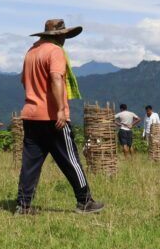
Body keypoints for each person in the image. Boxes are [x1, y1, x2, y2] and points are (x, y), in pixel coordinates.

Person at [15, 18, 104, 215]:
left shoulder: (31, 52)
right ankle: (85, 201)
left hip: (30, 115)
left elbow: (24, 81)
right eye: (63, 35)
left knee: (30, 163)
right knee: (70, 159)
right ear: (59, 36)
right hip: (53, 117)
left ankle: (23, 205)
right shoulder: (55, 51)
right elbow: (56, 78)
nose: (64, 39)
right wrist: (60, 110)